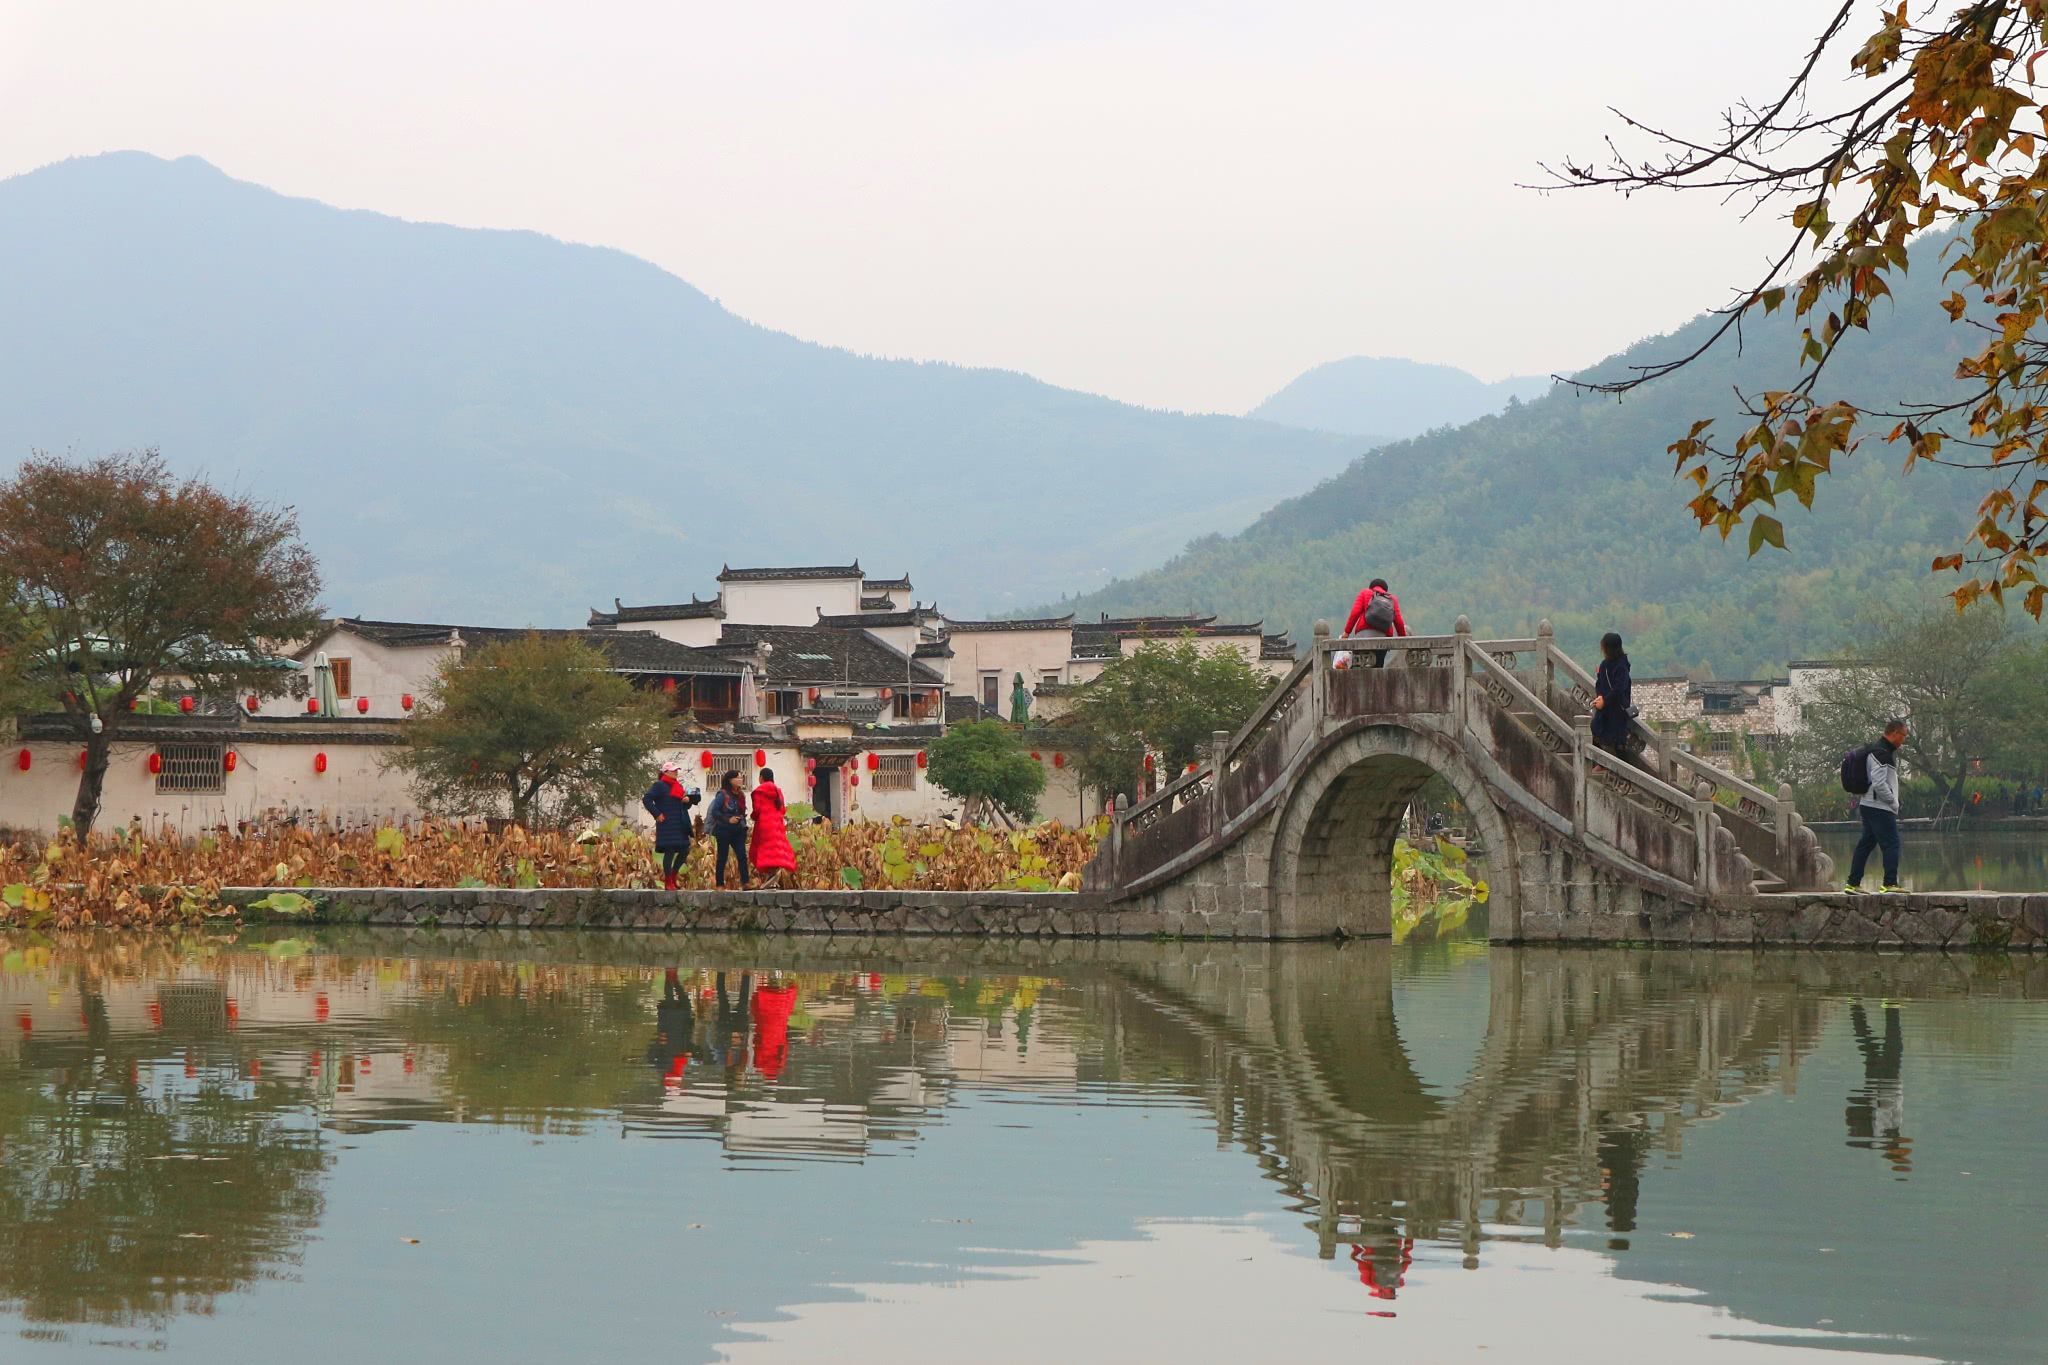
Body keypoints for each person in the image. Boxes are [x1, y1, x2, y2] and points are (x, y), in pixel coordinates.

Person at [1845, 718, 1909, 893]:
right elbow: (1879, 784)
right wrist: (1893, 802)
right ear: (1895, 733)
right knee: (1892, 844)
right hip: (1879, 807)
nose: (1903, 740)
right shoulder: (1882, 754)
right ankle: (1889, 883)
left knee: (1865, 844)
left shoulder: (1875, 749)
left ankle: (1853, 883)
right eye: (1903, 736)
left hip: (1868, 804)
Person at [640, 759, 701, 891]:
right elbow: (647, 799)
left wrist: (687, 800)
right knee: (670, 851)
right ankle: (668, 881)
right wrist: (657, 814)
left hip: (680, 823)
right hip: (667, 823)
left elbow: (683, 805)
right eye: (673, 771)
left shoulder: (678, 786)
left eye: (676, 771)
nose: (675, 773)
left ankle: (673, 876)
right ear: (665, 772)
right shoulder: (659, 785)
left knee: (684, 849)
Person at [1342, 577, 1408, 668]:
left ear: (1371, 587)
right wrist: (1403, 639)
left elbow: (1355, 613)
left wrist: (1346, 632)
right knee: (1377, 669)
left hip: (1363, 636)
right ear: (1385, 590)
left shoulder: (1365, 593)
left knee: (1358, 669)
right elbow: (1399, 622)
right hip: (1383, 639)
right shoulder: (1392, 599)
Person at [749, 766, 798, 887]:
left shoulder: (758, 792)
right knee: (775, 851)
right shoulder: (778, 792)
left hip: (764, 825)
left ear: (761, 778)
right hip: (777, 825)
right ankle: (773, 877)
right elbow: (782, 809)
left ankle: (772, 876)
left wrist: (752, 817)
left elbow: (757, 811)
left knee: (764, 851)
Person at [1590, 631, 1633, 763]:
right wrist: (1599, 698)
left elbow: (1619, 689)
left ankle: (1626, 774)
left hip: (1618, 708)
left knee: (1618, 742)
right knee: (1595, 729)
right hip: (1605, 708)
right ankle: (1599, 764)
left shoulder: (1622, 666)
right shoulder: (1604, 665)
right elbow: (1599, 684)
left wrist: (1605, 700)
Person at [708, 769, 751, 889]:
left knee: (742, 856)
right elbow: (715, 812)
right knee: (722, 857)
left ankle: (745, 882)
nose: (740, 780)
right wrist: (728, 819)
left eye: (741, 777)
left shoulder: (741, 795)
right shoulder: (722, 795)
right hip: (724, 830)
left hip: (738, 830)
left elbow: (742, 812)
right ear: (730, 780)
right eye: (737, 778)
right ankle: (720, 884)